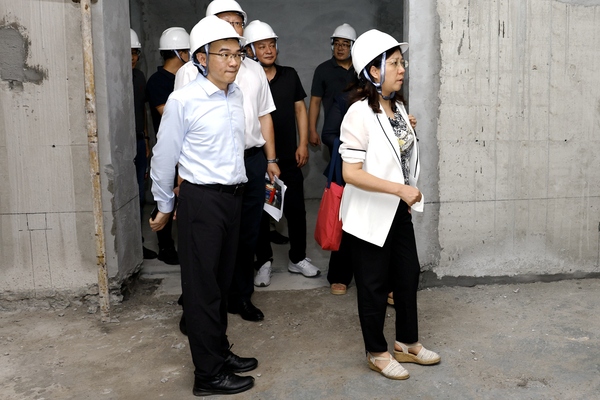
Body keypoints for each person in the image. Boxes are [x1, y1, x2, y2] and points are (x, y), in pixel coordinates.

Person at [149, 16, 256, 396]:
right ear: (200, 58)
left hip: (232, 199)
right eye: (224, 54)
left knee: (221, 285)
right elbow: (164, 157)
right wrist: (165, 204)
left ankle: (219, 352)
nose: (233, 61)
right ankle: (208, 375)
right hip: (202, 201)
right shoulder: (183, 100)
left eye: (237, 54)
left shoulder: (236, 95)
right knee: (201, 290)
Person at [339, 29, 440, 380]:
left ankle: (407, 343)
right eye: (395, 63)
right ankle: (377, 352)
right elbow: (350, 173)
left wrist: (405, 131)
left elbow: (394, 154)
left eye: (402, 62)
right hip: (369, 215)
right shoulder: (358, 113)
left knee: (408, 275)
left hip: (397, 210)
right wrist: (400, 189)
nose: (402, 69)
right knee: (373, 285)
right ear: (374, 70)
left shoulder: (396, 108)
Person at [174, 0, 279, 322]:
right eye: (226, 22)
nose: (234, 28)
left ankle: (240, 297)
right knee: (205, 243)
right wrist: (179, 180)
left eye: (238, 23)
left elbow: (264, 116)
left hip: (251, 162)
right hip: (208, 168)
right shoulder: (188, 72)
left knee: (245, 236)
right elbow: (179, 131)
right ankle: (198, 306)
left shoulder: (254, 70)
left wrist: (271, 159)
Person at [243, 20, 320, 287]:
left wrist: (302, 144)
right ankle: (263, 261)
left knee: (296, 210)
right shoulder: (246, 78)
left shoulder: (289, 75)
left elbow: (300, 109)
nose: (268, 50)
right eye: (261, 46)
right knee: (261, 213)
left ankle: (297, 258)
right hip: (258, 159)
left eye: (272, 45)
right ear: (249, 50)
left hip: (289, 156)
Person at [322, 91, 417, 297]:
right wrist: (359, 142)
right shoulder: (351, 104)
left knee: (395, 255)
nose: (400, 73)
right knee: (354, 235)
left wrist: (401, 132)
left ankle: (390, 285)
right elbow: (329, 135)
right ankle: (340, 275)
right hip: (360, 179)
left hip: (393, 192)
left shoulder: (396, 105)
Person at [146, 27, 190, 266]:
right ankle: (165, 247)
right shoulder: (158, 81)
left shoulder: (188, 77)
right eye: (188, 52)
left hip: (188, 149)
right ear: (179, 53)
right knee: (165, 196)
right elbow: (169, 116)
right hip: (170, 149)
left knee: (185, 198)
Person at [308, 23, 357, 147]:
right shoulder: (323, 70)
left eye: (345, 44)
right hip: (334, 132)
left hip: (359, 129)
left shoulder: (361, 69)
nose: (340, 48)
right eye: (336, 44)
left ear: (353, 46)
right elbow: (315, 102)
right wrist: (312, 130)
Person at [130, 28, 157, 260]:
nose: (132, 57)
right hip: (120, 145)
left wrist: (146, 140)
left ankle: (136, 244)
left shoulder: (139, 77)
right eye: (128, 52)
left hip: (139, 143)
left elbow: (143, 111)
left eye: (135, 52)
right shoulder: (111, 78)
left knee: (139, 194)